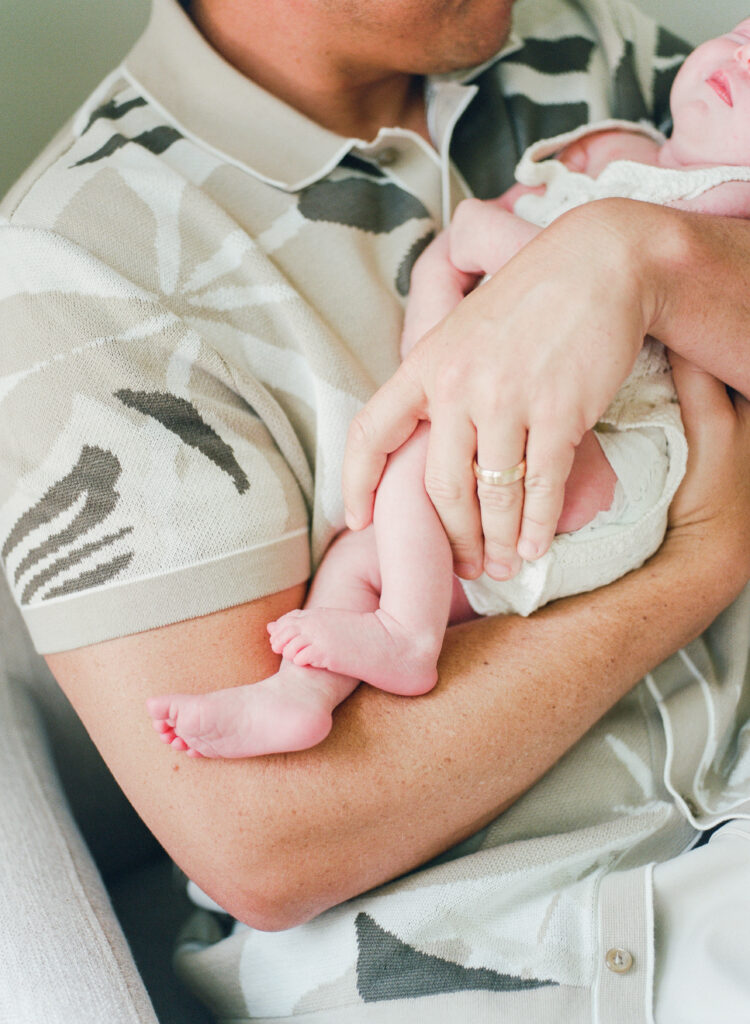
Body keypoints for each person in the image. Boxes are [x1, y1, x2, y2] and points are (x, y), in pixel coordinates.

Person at [2, 2, 750, 1022]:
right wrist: (697, 567)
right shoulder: (80, 266)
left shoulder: (590, 50)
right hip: (520, 962)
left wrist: (645, 259)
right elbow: (265, 845)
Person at [146, 23, 750, 759]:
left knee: (424, 464)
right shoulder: (618, 146)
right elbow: (490, 265)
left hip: (623, 455)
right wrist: (440, 315)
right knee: (361, 556)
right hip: (549, 466)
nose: (742, 58)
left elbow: (557, 278)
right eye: (745, 34)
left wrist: (551, 252)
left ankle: (407, 637)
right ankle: (300, 695)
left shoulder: (727, 202)